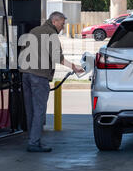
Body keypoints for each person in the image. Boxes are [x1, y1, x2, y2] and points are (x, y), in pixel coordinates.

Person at [19, 12, 84, 152]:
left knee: (30, 110)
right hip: (39, 76)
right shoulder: (52, 35)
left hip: (25, 75)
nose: (63, 27)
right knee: (39, 110)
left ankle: (33, 139)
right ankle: (34, 143)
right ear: (54, 21)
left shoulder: (34, 31)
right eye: (62, 23)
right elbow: (57, 58)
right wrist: (75, 67)